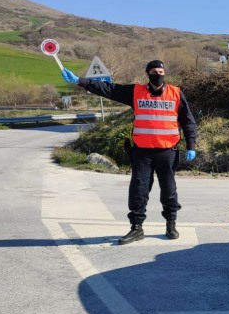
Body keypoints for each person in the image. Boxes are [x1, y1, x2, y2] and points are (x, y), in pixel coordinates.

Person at [61, 60, 197, 245]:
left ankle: (171, 224)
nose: (158, 74)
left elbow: (188, 121)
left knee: (169, 191)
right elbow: (109, 89)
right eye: (154, 71)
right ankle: (136, 228)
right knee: (138, 190)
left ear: (164, 73)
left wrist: (191, 145)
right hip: (142, 152)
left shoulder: (176, 93)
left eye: (161, 71)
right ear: (148, 74)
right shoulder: (135, 92)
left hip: (167, 151)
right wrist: (81, 81)